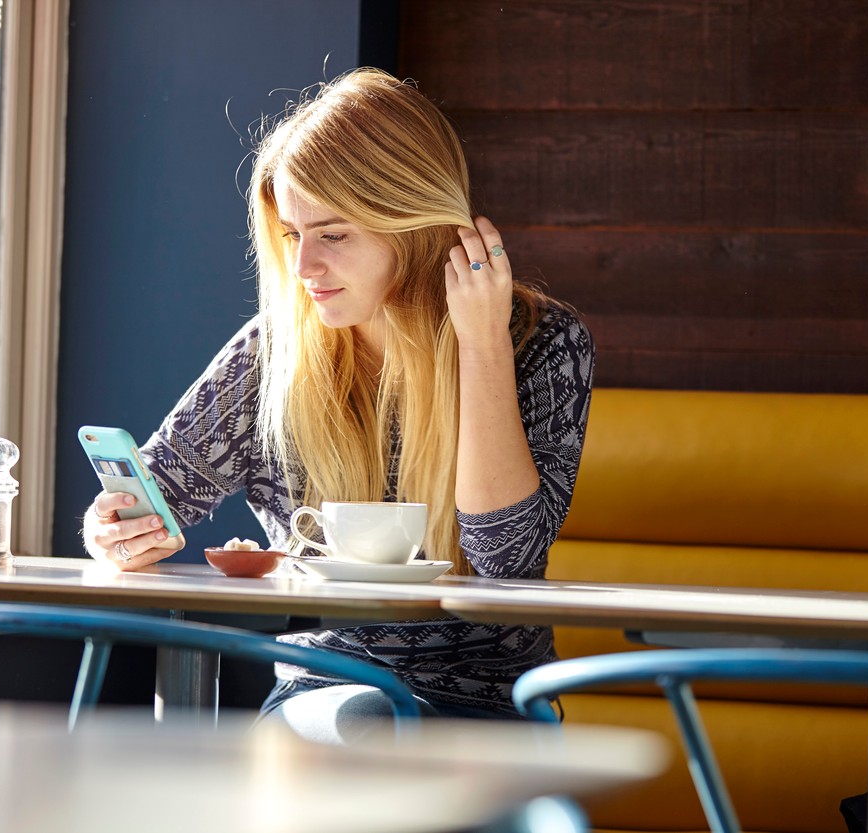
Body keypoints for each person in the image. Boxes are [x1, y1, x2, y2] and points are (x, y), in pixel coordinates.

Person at [81, 67, 595, 741]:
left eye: (334, 234)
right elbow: (154, 497)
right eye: (294, 235)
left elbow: (506, 561)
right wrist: (114, 530)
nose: (303, 268)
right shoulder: (275, 354)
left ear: (411, 223)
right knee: (369, 724)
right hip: (325, 694)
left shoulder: (543, 344)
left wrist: (481, 347)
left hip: (492, 709)